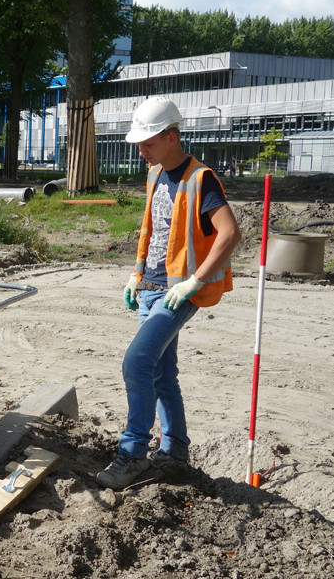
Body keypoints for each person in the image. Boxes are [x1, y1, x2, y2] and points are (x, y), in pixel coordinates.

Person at [96, 97, 242, 491]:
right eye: (140, 144)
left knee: (136, 361)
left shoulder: (201, 178)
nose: (141, 151)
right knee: (161, 372)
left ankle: (132, 453)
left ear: (172, 136)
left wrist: (195, 280)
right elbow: (154, 231)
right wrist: (136, 273)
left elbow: (230, 233)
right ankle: (175, 449)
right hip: (150, 287)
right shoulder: (156, 175)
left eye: (148, 144)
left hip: (179, 293)